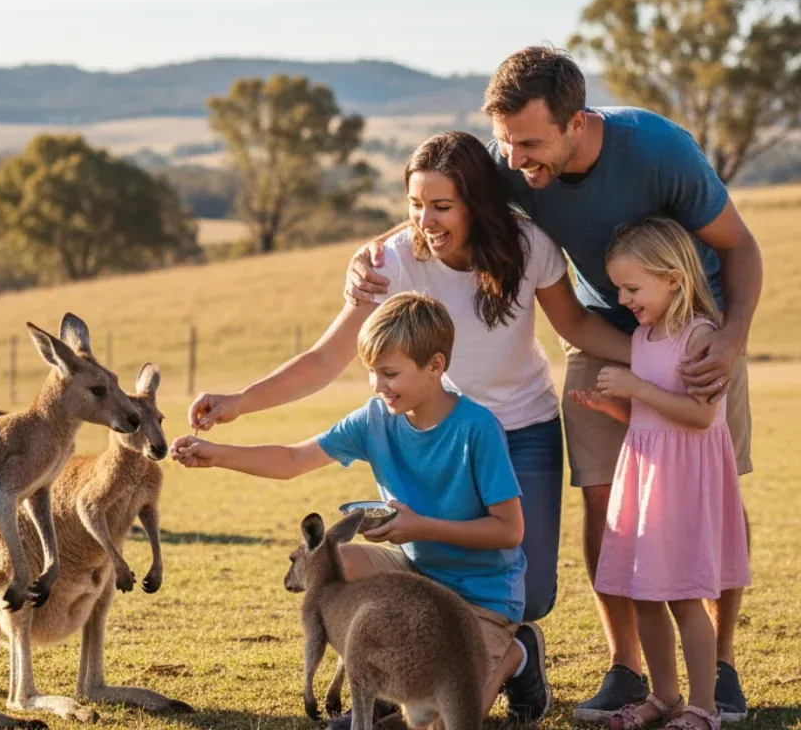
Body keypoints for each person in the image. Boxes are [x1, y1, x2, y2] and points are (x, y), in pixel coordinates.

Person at [346, 46, 762, 722]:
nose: (515, 160)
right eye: (506, 143)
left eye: (530, 144)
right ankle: (630, 669)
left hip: (699, 332)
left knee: (712, 500)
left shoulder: (661, 152)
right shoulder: (513, 158)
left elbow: (740, 245)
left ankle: (721, 666)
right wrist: (366, 255)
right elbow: (446, 204)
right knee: (608, 500)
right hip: (601, 329)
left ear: (577, 122)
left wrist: (732, 336)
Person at [186, 130, 630, 724]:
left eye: (442, 206)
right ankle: (416, 663)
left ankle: (517, 649)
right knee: (369, 568)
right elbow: (324, 360)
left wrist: (658, 357)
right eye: (415, 205)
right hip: (426, 423)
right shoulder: (393, 259)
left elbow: (576, 324)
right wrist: (238, 404)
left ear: (476, 202)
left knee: (535, 593)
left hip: (519, 428)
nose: (426, 220)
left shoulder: (529, 246)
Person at [172, 292, 549, 723]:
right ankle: (382, 674)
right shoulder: (375, 419)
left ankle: (518, 653)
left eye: (389, 373)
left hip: (481, 596)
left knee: (445, 720)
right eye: (371, 372)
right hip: (415, 577)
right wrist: (216, 453)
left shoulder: (477, 429)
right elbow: (294, 459)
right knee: (336, 565)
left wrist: (421, 527)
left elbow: (508, 531)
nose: (377, 385)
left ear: (436, 366)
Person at [568, 217, 751, 730]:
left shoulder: (701, 337)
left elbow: (699, 415)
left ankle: (704, 706)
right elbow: (652, 415)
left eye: (632, 287)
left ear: (673, 278)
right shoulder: (645, 337)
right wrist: (613, 407)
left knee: (683, 595)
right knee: (642, 591)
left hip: (682, 485)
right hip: (645, 479)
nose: (624, 299)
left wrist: (636, 387)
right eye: (619, 289)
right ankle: (664, 695)